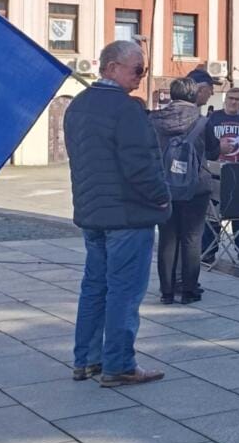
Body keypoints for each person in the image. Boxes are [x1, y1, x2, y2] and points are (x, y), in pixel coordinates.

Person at [65, 40, 170, 386]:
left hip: (93, 213)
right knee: (124, 292)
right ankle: (119, 364)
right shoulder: (126, 110)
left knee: (94, 287)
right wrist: (161, 197)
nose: (142, 75)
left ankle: (87, 360)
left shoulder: (77, 106)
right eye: (137, 69)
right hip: (128, 215)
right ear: (111, 67)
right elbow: (140, 166)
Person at [148, 77, 214, 306]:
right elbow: (214, 152)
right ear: (193, 95)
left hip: (164, 184)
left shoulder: (154, 120)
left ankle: (166, 291)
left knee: (167, 237)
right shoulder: (203, 121)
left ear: (172, 95)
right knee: (192, 238)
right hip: (196, 186)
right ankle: (188, 290)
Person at [202, 87, 239, 260]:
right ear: (225, 99)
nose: (234, 102)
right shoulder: (214, 117)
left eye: (237, 99)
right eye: (231, 98)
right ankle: (209, 249)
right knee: (213, 212)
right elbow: (206, 141)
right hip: (217, 171)